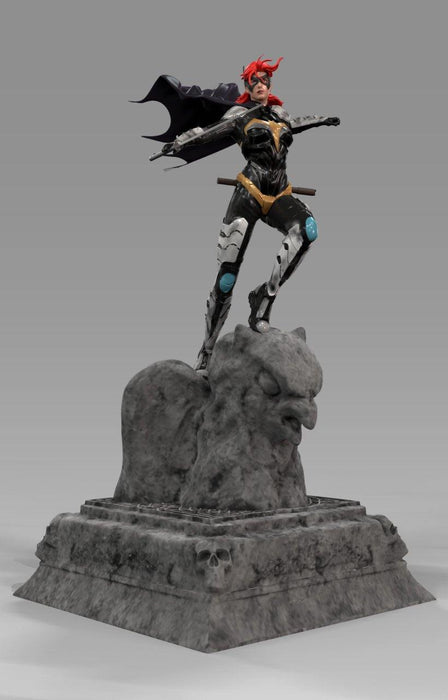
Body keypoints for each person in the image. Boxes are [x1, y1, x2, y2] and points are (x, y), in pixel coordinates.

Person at [150, 57, 340, 374]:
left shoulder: (280, 115)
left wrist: (321, 119)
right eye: (255, 81)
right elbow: (210, 131)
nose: (260, 84)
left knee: (307, 230)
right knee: (226, 277)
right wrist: (181, 141)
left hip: (279, 193)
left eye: (265, 80)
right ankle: (207, 351)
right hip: (248, 193)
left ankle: (264, 298)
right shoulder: (240, 115)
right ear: (247, 85)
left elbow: (297, 123)